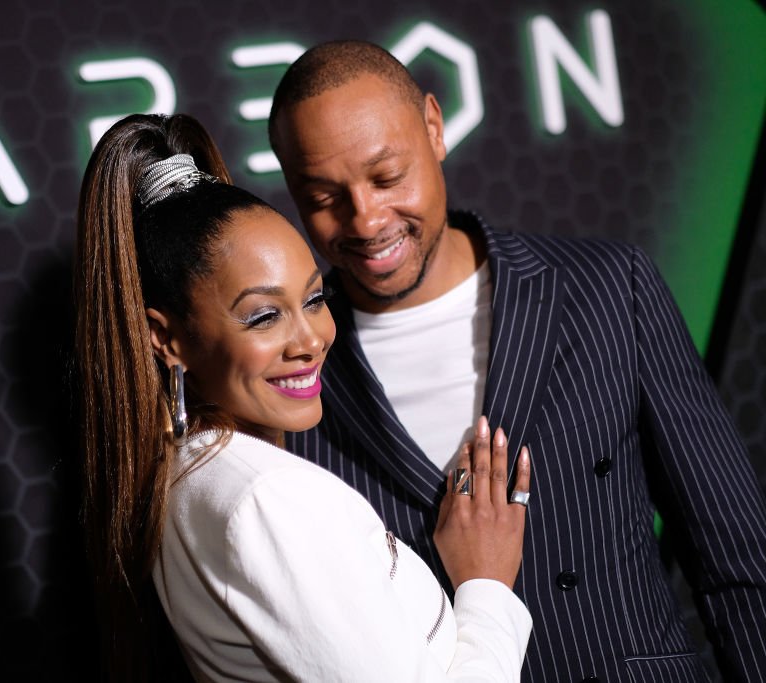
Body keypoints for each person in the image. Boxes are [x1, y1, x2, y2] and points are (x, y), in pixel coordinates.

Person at [267, 40, 766, 683]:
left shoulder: (609, 289)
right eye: (322, 196)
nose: (365, 219)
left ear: (434, 127)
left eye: (387, 177)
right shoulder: (291, 377)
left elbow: (738, 560)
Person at [74, 112, 534, 682]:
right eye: (264, 316)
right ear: (165, 338)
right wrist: (485, 586)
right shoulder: (267, 498)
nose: (311, 340)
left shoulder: (190, 476)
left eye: (314, 300)